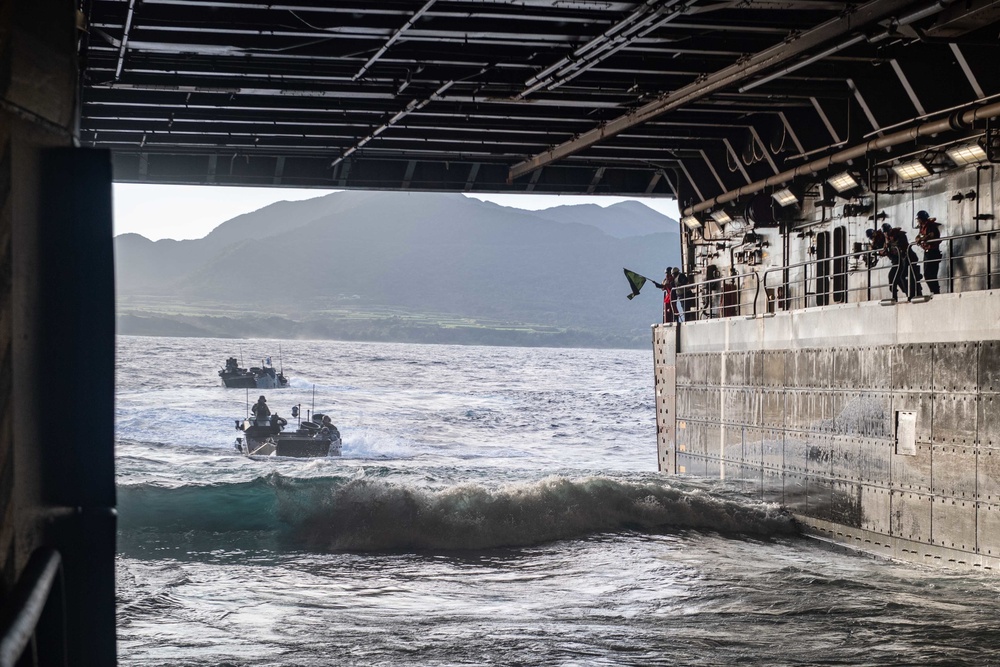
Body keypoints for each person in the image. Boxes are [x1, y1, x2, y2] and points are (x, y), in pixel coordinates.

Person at [883, 222, 922, 300]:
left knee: (906, 276)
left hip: (909, 258)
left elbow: (902, 245)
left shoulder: (900, 235)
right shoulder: (887, 240)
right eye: (885, 232)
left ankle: (912, 294)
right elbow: (892, 253)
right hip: (901, 260)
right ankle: (896, 296)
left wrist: (890, 244)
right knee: (892, 277)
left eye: (887, 232)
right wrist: (886, 251)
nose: (886, 234)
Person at [914, 210, 942, 294]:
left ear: (922, 219)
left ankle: (935, 291)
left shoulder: (931, 226)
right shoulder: (922, 227)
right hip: (927, 252)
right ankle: (934, 291)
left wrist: (921, 239)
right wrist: (918, 239)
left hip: (933, 252)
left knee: (930, 274)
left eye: (918, 219)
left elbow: (932, 235)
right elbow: (919, 236)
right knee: (928, 274)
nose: (918, 221)